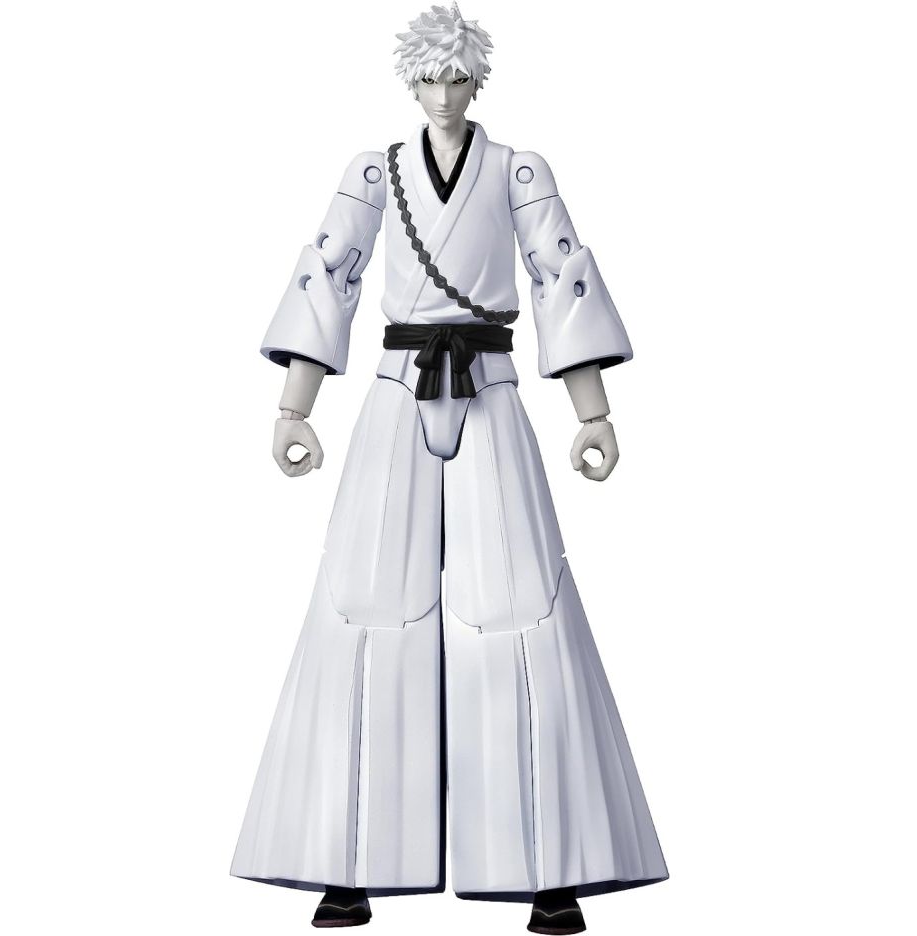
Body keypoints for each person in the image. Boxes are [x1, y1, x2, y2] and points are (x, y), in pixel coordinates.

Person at [231, 5, 668, 933]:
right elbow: (330, 274)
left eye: (456, 78)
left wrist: (592, 410)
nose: (442, 95)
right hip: (397, 389)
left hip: (492, 388)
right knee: (365, 604)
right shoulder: (374, 171)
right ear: (410, 81)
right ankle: (345, 861)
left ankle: (549, 866)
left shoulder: (517, 170)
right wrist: (294, 406)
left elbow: (560, 279)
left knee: (521, 605)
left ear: (477, 81)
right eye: (428, 79)